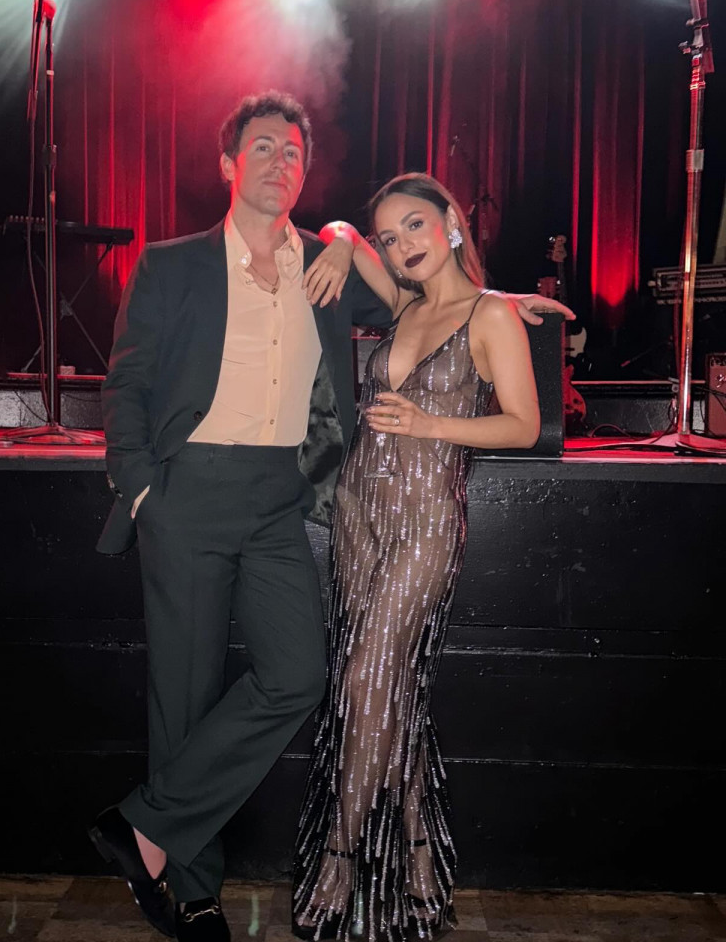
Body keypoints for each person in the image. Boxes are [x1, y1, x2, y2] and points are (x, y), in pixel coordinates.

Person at [94, 92, 569, 942]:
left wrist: (502, 299)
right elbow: (124, 384)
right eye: (262, 147)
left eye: (293, 152)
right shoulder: (171, 265)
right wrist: (140, 490)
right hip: (187, 495)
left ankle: (145, 828)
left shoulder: (329, 265)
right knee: (184, 696)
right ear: (227, 163)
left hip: (282, 503)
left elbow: (431, 295)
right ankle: (192, 889)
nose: (279, 162)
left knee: (298, 678)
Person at [292, 174, 541, 942]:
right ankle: (422, 856)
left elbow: (524, 425)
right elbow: (341, 230)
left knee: (366, 681)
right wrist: (343, 241)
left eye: (415, 225)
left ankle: (340, 856)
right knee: (391, 694)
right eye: (391, 236)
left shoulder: (492, 314)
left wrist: (433, 425)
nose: (401, 245)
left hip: (426, 523)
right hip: (358, 512)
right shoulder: (404, 303)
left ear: (451, 224)